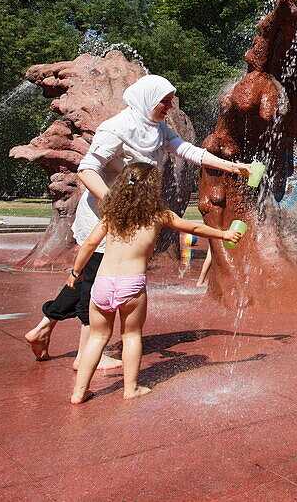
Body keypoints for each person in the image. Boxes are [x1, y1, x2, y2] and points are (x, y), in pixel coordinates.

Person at [24, 75, 252, 368]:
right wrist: (114, 203)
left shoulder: (156, 127)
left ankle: (44, 327)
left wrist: (233, 167)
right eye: (165, 101)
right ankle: (85, 355)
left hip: (131, 215)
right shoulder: (116, 129)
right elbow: (87, 169)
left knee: (87, 275)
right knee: (95, 281)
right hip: (106, 215)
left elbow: (188, 151)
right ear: (147, 99)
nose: (169, 107)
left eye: (170, 101)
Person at [68, 164, 243, 404]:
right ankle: (131, 388)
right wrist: (223, 234)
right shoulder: (159, 215)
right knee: (131, 336)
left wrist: (75, 272)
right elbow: (192, 227)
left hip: (103, 283)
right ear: (153, 189)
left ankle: (79, 392)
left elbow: (88, 245)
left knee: (97, 338)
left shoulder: (111, 216)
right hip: (131, 284)